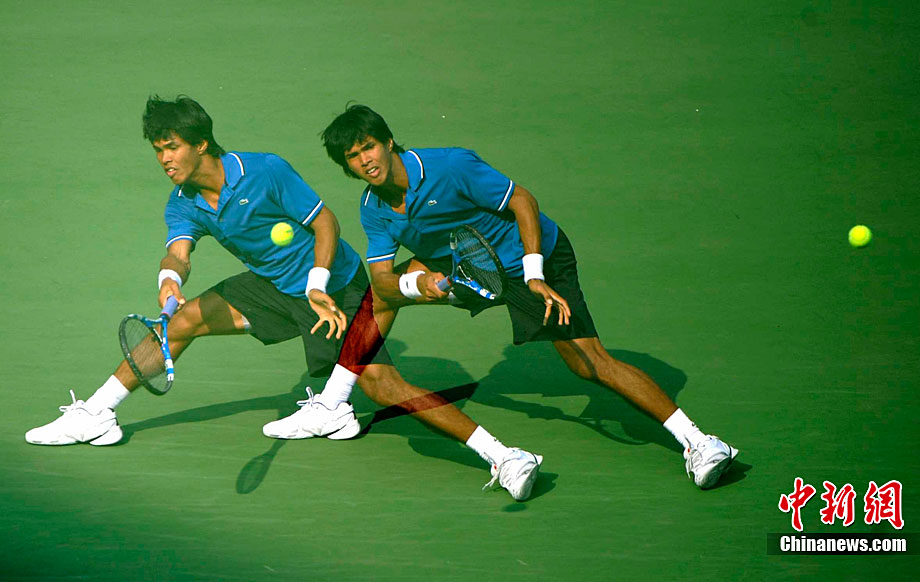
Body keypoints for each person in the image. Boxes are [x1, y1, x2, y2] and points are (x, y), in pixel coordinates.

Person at [24, 96, 542, 502]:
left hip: (336, 288)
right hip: (272, 287)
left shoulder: (265, 171)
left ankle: (505, 456)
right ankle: (97, 413)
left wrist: (317, 284)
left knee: (384, 385)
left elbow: (325, 223)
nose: (164, 159)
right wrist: (169, 279)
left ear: (200, 144)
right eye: (158, 150)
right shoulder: (183, 201)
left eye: (171, 147)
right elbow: (179, 252)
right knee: (182, 320)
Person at [316, 105, 738, 489]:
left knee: (589, 363)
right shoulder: (373, 207)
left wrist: (535, 274)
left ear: (388, 142)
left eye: (369, 147)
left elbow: (522, 200)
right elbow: (383, 281)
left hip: (532, 257)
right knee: (381, 296)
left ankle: (701, 442)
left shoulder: (450, 166)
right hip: (469, 264)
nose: (365, 160)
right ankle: (334, 400)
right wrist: (419, 285)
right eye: (353, 156)